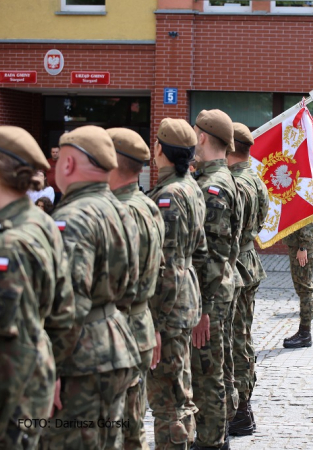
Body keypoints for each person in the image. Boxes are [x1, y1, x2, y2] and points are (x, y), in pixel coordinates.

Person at [41, 125, 141, 450]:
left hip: (81, 358)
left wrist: (51, 367)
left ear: (67, 165)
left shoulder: (72, 218)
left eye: (58, 160)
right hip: (116, 341)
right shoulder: (122, 209)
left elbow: (69, 303)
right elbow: (131, 287)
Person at [0, 126, 74, 449]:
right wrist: (53, 370)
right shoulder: (44, 224)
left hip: (8, 399)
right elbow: (64, 315)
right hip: (36, 378)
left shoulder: (6, 245)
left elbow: (1, 346)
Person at [146, 118, 207, 450]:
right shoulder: (191, 187)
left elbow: (166, 265)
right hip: (186, 297)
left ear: (160, 150)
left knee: (168, 400)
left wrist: (154, 322)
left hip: (169, 306)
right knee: (180, 393)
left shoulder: (168, 195)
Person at [108, 127, 165, 450]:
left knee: (118, 425)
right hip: (139, 323)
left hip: (118, 329)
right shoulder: (148, 205)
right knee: (133, 422)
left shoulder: (120, 210)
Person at [191, 109, 243, 450]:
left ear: (203, 137)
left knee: (207, 372)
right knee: (216, 368)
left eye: (196, 133)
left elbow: (215, 252)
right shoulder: (218, 179)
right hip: (218, 288)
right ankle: (216, 435)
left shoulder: (214, 186)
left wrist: (204, 309)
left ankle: (211, 441)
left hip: (212, 292)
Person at [227, 123, 268, 436]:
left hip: (237, 266)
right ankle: (242, 407)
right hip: (248, 262)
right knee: (242, 336)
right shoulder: (255, 179)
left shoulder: (237, 183)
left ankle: (241, 410)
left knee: (237, 339)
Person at [281, 223, 313, 348]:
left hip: (302, 247)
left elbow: (307, 220)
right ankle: (304, 332)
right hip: (299, 244)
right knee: (303, 288)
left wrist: (303, 247)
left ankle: (305, 334)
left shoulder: (305, 201)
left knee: (305, 290)